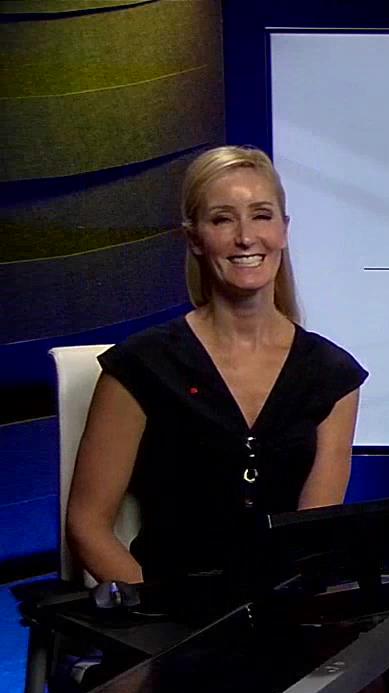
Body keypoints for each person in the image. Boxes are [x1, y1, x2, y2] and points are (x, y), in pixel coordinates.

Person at [66, 146, 368, 584]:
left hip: (285, 611)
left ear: (283, 230)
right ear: (194, 239)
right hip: (164, 609)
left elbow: (313, 538)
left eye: (261, 216)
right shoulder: (140, 367)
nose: (245, 237)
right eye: (223, 220)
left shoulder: (333, 376)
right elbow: (87, 526)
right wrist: (160, 612)